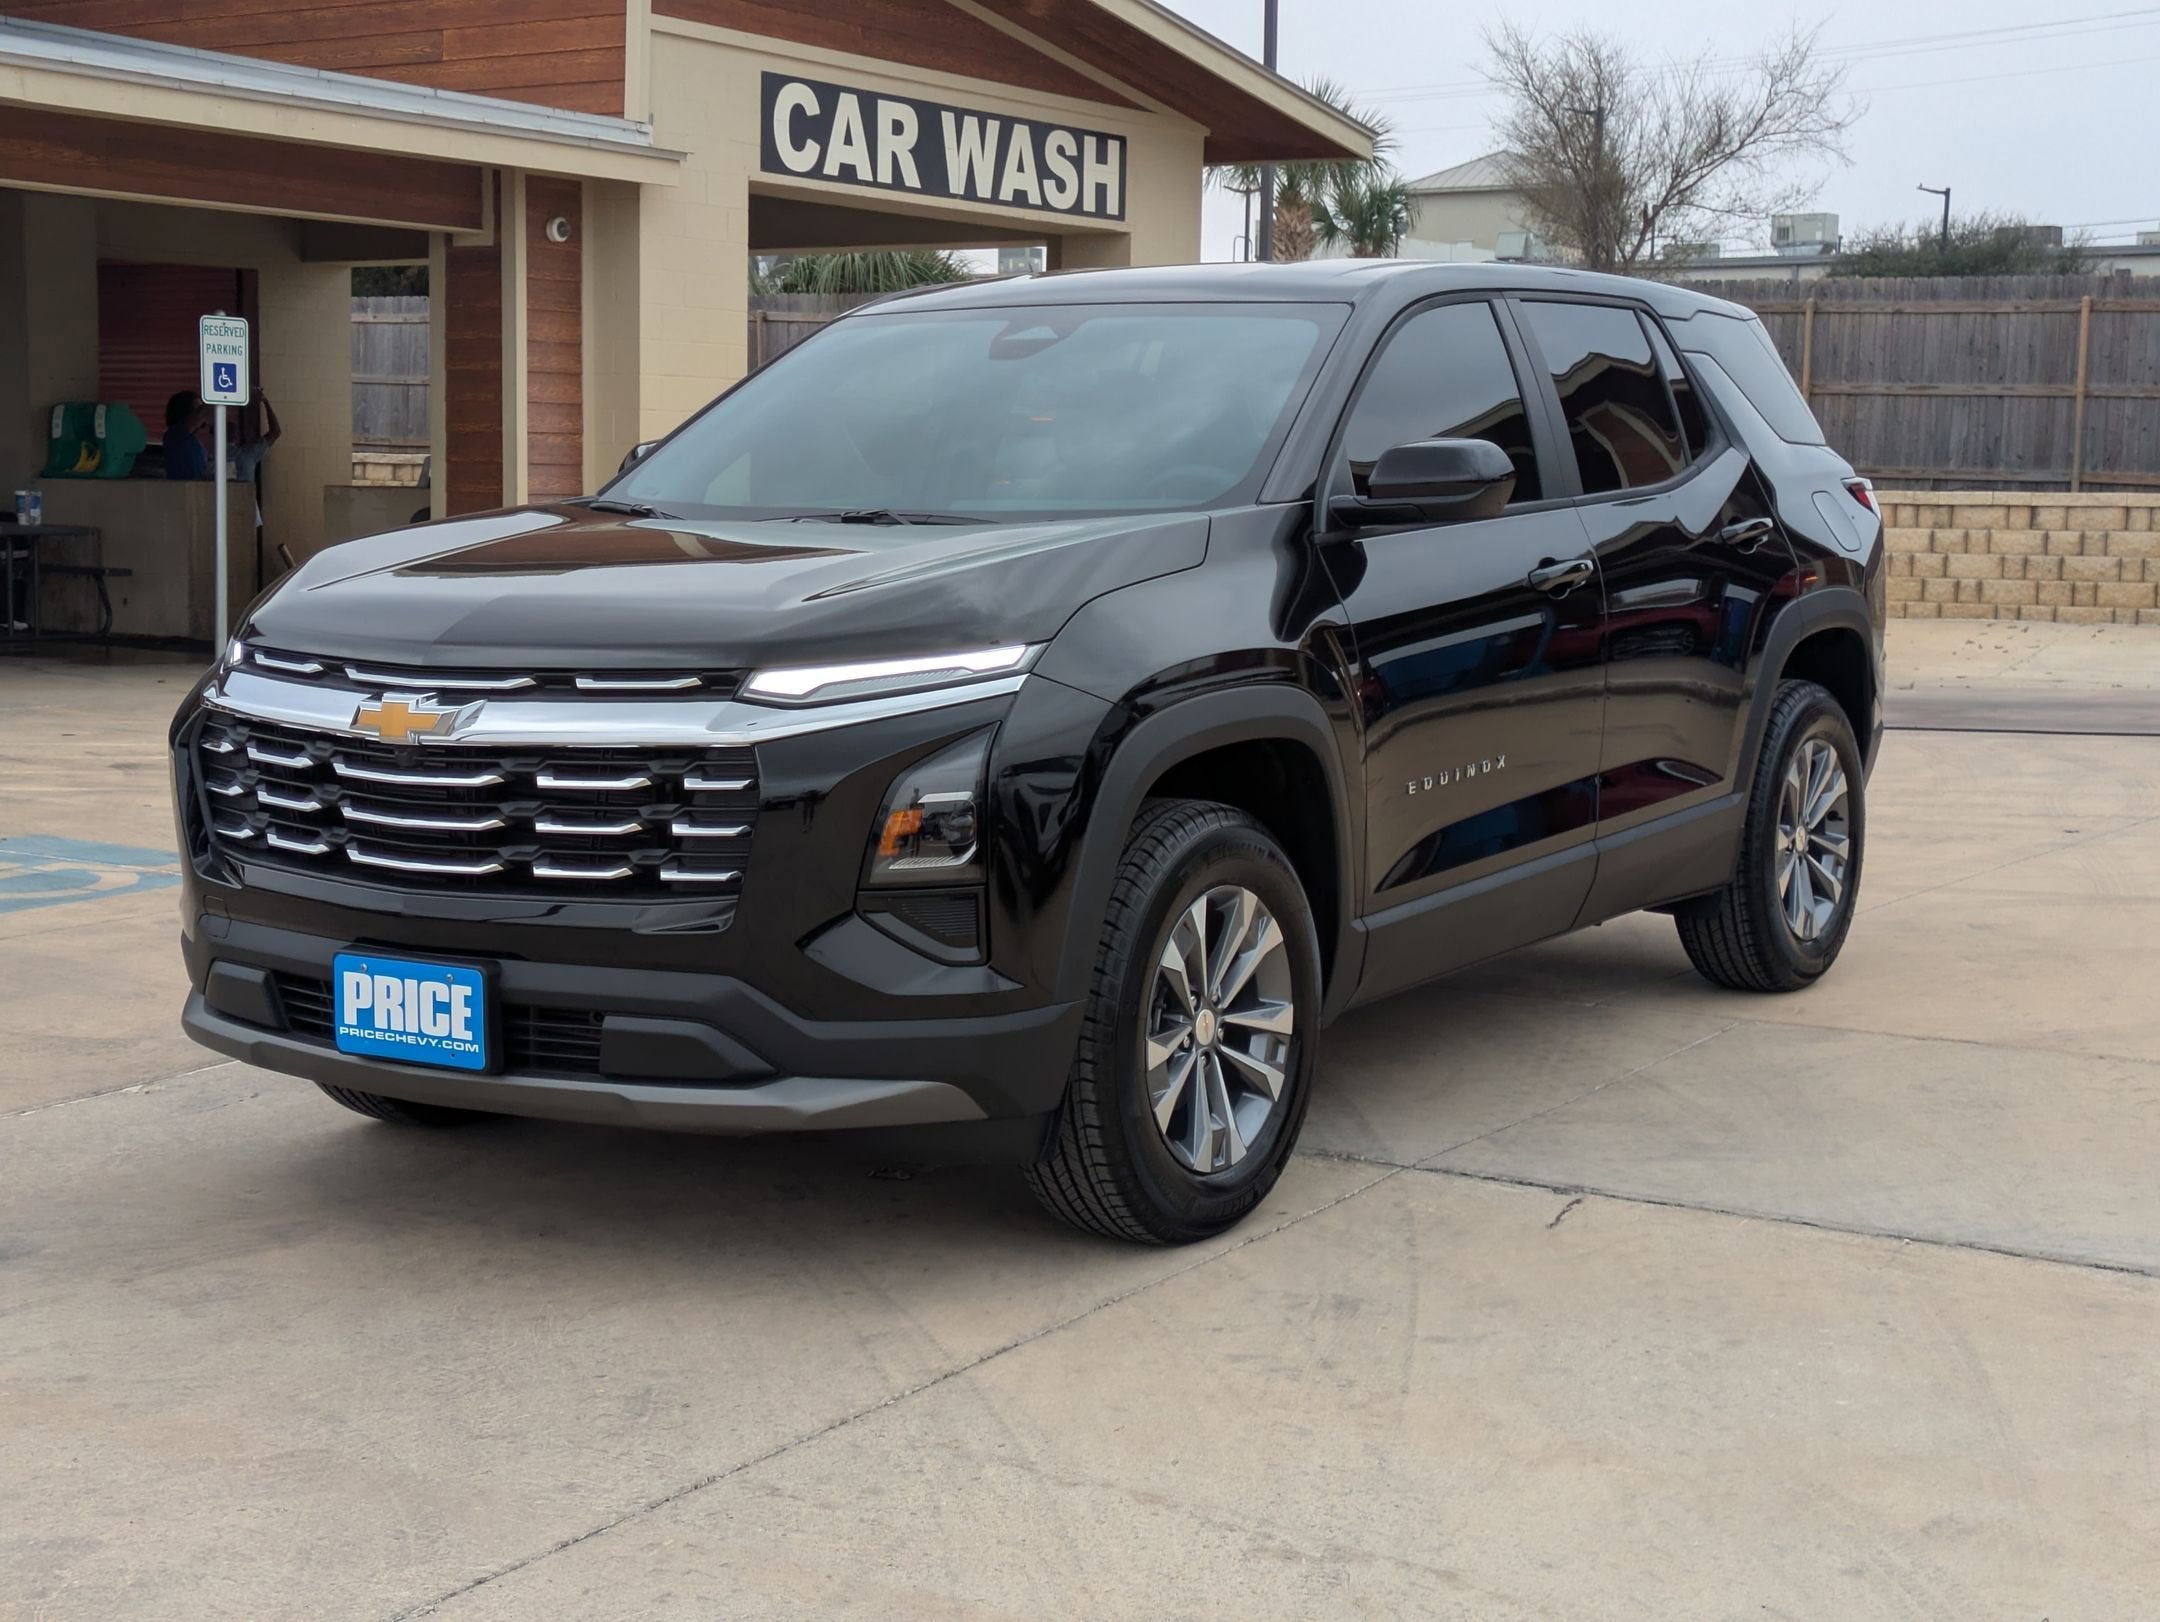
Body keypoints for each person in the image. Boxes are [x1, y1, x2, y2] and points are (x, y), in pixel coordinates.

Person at [162, 391, 210, 480]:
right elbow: (199, 416)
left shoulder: (195, 440)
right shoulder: (175, 434)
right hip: (180, 487)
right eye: (197, 409)